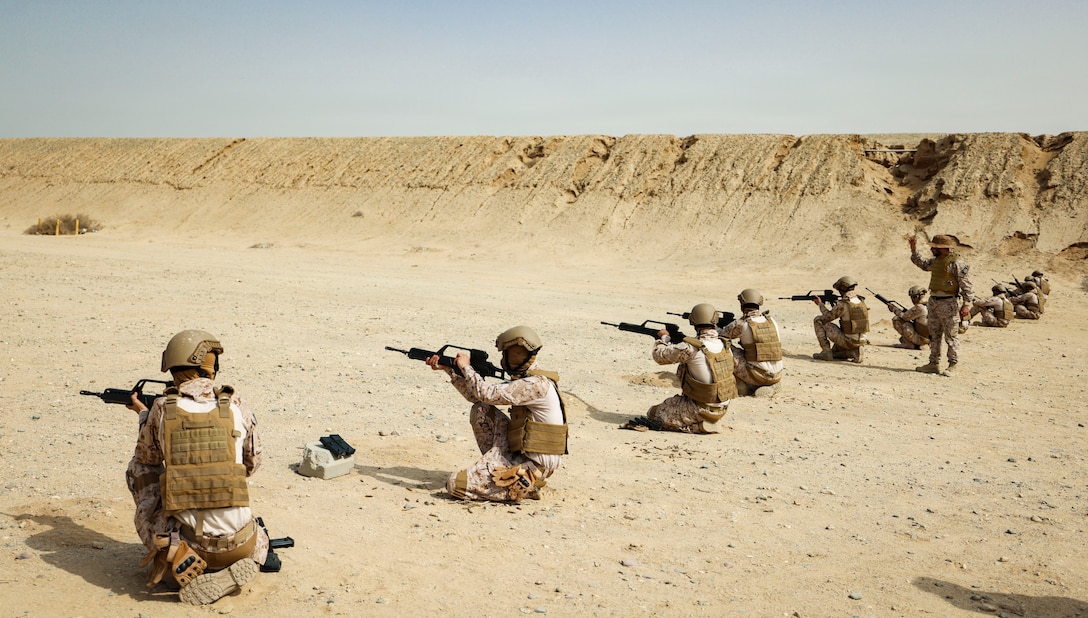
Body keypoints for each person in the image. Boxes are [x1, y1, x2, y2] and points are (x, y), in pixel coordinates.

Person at [125, 330, 277, 605]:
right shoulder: (236, 404)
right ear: (209, 368)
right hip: (242, 544)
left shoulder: (161, 407)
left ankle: (176, 555)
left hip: (192, 546)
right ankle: (246, 562)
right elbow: (252, 465)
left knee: (137, 468)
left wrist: (144, 418)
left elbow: (146, 459)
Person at [428, 326, 567, 503]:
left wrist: (466, 367)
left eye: (505, 354)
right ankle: (495, 465)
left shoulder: (535, 384)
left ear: (516, 353)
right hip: (524, 454)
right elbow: (477, 396)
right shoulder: (527, 379)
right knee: (481, 410)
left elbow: (487, 393)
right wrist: (450, 370)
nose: (502, 360)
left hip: (535, 465)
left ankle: (523, 485)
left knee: (456, 485)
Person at [908, 234, 975, 375]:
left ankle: (952, 365)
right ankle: (933, 363)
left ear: (943, 248)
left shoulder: (956, 263)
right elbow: (922, 264)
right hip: (934, 302)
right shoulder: (936, 261)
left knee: (951, 336)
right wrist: (914, 249)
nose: (932, 250)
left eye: (935, 247)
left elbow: (967, 286)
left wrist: (966, 304)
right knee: (934, 334)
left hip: (949, 302)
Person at [719, 289, 783, 397]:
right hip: (777, 374)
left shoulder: (741, 323)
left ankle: (745, 387)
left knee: (724, 348)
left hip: (758, 375)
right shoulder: (771, 320)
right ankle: (772, 385)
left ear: (742, 304)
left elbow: (718, 336)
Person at [812, 277, 869, 363]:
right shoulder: (861, 301)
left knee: (818, 320)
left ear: (842, 289)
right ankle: (853, 351)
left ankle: (826, 352)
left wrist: (820, 304)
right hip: (861, 341)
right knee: (836, 352)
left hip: (848, 341)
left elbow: (828, 317)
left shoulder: (843, 303)